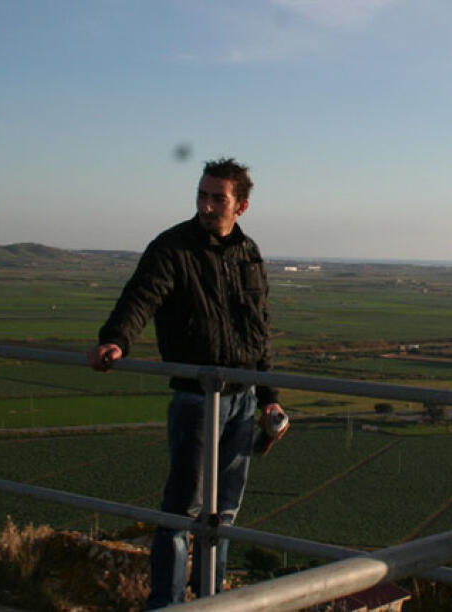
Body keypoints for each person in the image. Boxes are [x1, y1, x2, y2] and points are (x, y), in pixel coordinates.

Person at [86, 158, 287, 609]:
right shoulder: (172, 248)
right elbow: (141, 296)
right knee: (180, 514)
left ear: (242, 205)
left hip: (243, 398)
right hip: (198, 398)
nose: (207, 205)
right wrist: (116, 340)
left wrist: (270, 399)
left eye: (218, 197)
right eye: (202, 195)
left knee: (225, 515)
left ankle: (210, 602)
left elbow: (260, 330)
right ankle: (169, 605)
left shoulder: (249, 252)